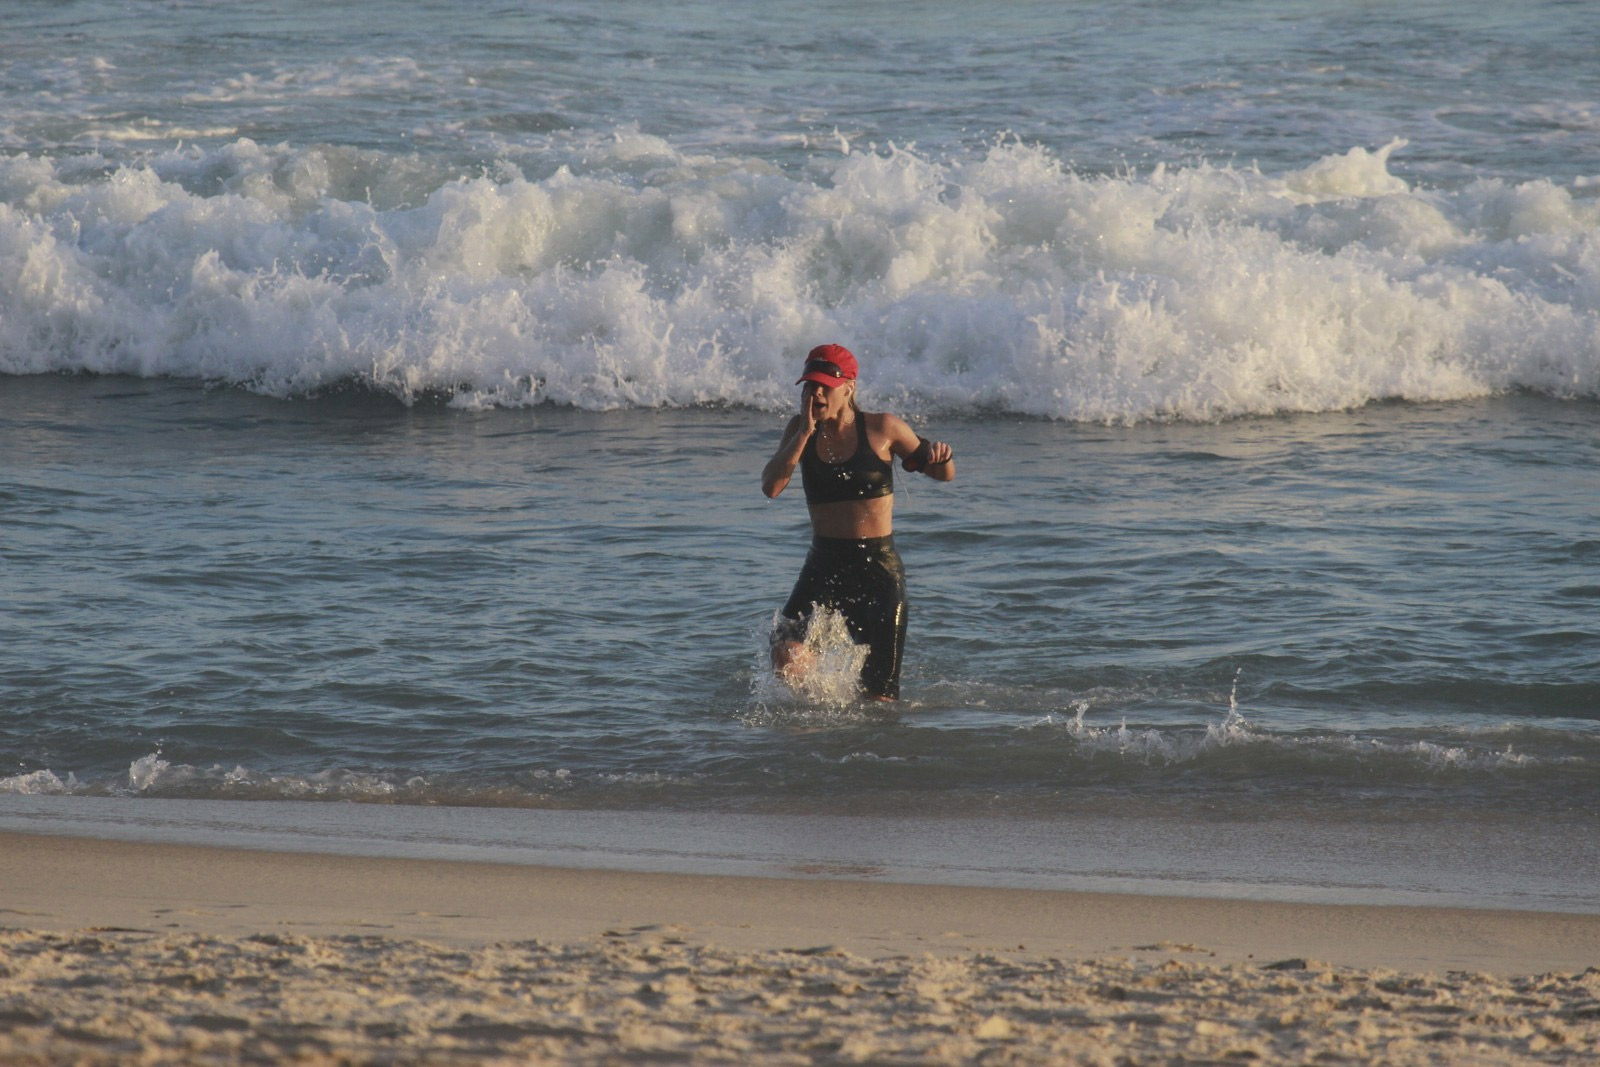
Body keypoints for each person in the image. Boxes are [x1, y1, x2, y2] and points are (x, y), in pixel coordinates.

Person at [761, 343, 955, 700]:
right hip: (823, 565)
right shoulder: (799, 430)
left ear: (848, 387)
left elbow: (943, 473)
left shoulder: (883, 428)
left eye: (824, 386)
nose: (815, 393)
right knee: (786, 653)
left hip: (878, 571)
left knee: (879, 696)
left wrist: (941, 457)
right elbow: (771, 487)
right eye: (809, 386)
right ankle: (816, 727)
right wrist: (804, 432)